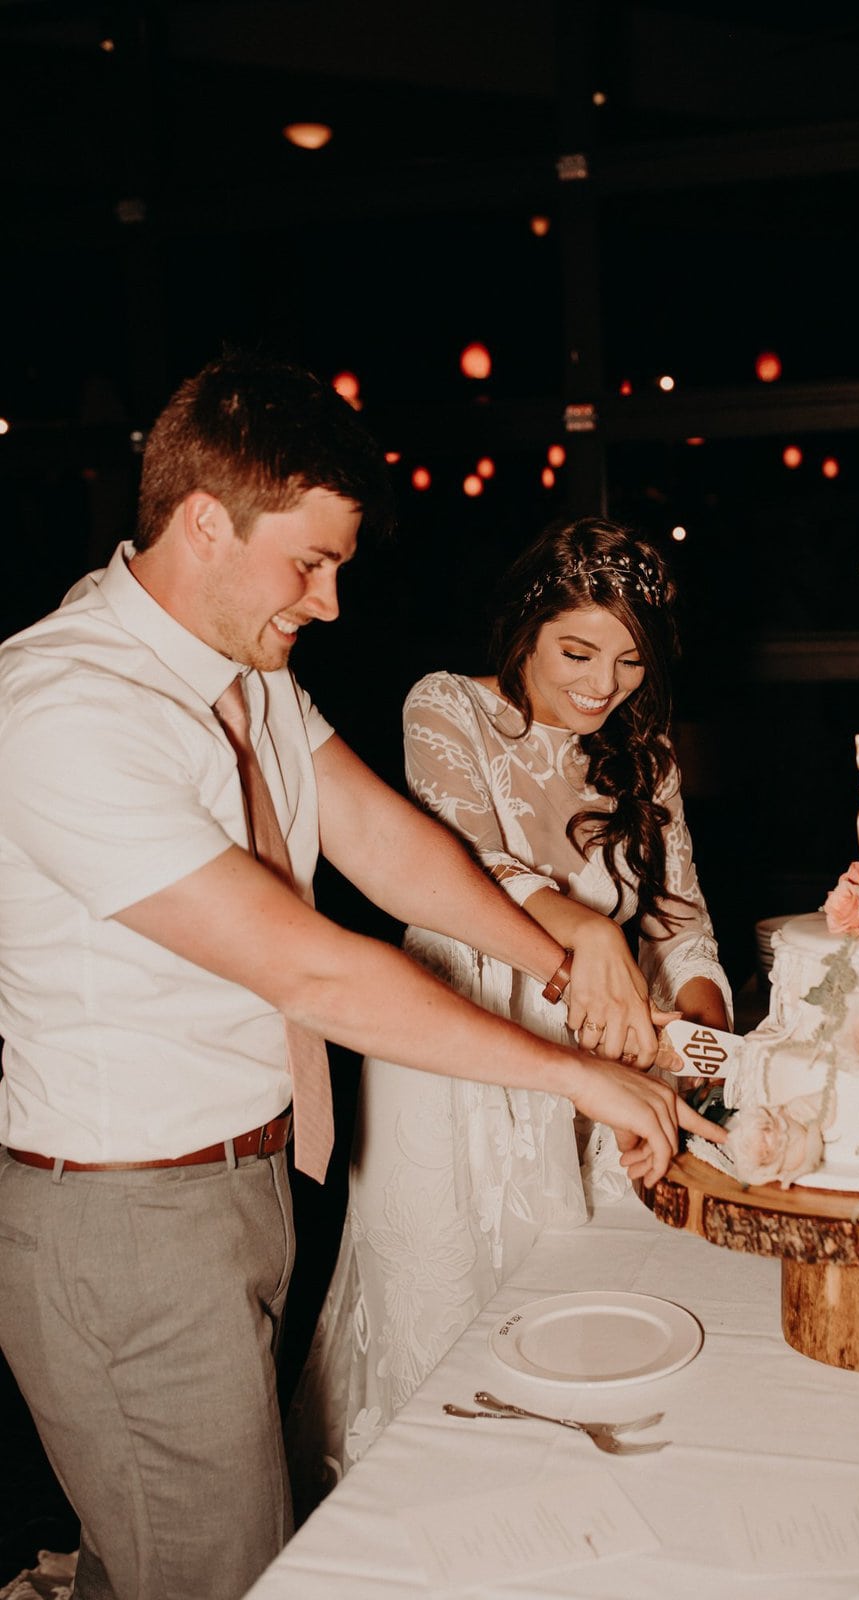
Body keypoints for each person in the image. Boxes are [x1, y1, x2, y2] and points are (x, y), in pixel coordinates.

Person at [0, 358, 719, 1600]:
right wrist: (578, 1071)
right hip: (121, 1220)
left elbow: (392, 849)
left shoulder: (247, 672)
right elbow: (317, 972)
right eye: (311, 562)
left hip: (241, 1180)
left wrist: (571, 969)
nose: (330, 601)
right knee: (221, 1575)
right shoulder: (66, 704)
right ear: (206, 521)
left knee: (173, 1558)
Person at [288, 515, 731, 1499]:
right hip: (456, 1062)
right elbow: (465, 862)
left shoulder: (644, 756)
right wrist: (586, 933)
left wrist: (699, 1035)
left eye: (628, 661)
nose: (600, 683)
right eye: (577, 650)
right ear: (527, 627)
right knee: (445, 1323)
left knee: (601, 1331)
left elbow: (683, 918)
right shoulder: (444, 707)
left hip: (607, 1072)